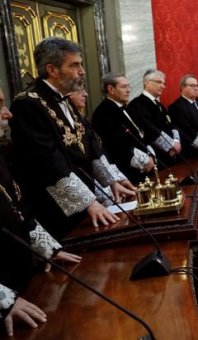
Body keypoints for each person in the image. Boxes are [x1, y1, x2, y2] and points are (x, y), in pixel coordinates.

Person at [9, 37, 134, 239]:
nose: (82, 71)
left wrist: (112, 181)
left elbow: (91, 143)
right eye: (75, 65)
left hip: (86, 203)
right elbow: (46, 159)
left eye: (81, 64)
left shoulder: (65, 99)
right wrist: (88, 202)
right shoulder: (27, 104)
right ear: (52, 70)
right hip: (57, 210)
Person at [0, 83, 81, 336]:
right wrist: (4, 301)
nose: (7, 112)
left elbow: (19, 210)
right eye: (0, 104)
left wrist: (49, 249)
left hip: (21, 282)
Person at [92, 73, 155, 184]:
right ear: (111, 89)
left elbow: (140, 134)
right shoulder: (103, 112)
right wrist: (145, 160)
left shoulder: (127, 108)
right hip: (126, 173)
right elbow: (117, 144)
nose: (128, 90)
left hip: (144, 169)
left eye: (128, 86)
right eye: (124, 87)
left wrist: (150, 155)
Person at [128, 69, 182, 165]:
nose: (163, 86)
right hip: (156, 157)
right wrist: (170, 146)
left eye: (164, 83)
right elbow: (149, 130)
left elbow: (171, 124)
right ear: (147, 83)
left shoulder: (160, 105)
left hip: (172, 155)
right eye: (159, 82)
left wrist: (176, 141)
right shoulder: (137, 104)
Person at [168, 74, 198, 157]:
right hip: (193, 153)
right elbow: (185, 130)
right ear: (183, 88)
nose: (196, 88)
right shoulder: (176, 107)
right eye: (192, 86)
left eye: (197, 85)